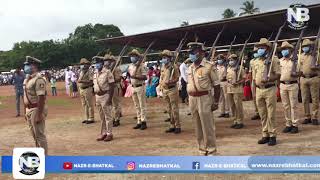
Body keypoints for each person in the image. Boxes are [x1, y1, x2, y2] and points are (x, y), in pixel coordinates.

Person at [186, 42, 220, 156]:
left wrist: (215, 101)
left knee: (207, 126)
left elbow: (216, 85)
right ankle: (202, 149)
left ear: (201, 53)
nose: (191, 55)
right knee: (197, 126)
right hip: (192, 99)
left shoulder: (209, 66)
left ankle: (211, 150)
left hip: (204, 98)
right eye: (190, 52)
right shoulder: (190, 67)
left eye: (193, 52)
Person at [253, 38, 281, 146]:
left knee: (271, 114)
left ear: (268, 48)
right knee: (262, 114)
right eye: (259, 47)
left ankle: (272, 135)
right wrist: (255, 86)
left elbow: (278, 74)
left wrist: (269, 78)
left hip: (270, 88)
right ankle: (265, 134)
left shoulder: (274, 60)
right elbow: (255, 77)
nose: (260, 49)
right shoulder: (256, 61)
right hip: (259, 89)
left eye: (262, 47)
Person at [23, 56, 48, 155]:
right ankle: (39, 155)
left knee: (39, 135)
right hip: (29, 109)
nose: (26, 67)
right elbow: (25, 96)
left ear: (34, 66)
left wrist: (39, 114)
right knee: (34, 134)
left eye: (27, 65)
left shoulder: (38, 79)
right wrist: (25, 110)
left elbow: (41, 97)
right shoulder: (27, 79)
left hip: (36, 108)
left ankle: (45, 158)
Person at [279, 41, 300, 133]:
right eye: (283, 49)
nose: (284, 51)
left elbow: (301, 72)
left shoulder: (295, 60)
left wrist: (296, 73)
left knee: (293, 105)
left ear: (290, 50)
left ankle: (295, 124)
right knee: (285, 106)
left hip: (293, 84)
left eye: (286, 49)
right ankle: (288, 124)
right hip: (283, 85)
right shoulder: (280, 61)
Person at [93, 56, 115, 142]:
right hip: (97, 96)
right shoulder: (95, 73)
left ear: (102, 64)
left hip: (105, 95)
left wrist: (110, 99)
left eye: (98, 63)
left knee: (108, 116)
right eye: (95, 63)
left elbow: (112, 86)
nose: (96, 64)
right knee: (102, 117)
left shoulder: (107, 72)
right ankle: (103, 133)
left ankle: (109, 134)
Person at [298, 39, 320, 125]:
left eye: (306, 46)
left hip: (314, 78)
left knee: (315, 98)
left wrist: (317, 68)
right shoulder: (301, 55)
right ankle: (307, 116)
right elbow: (299, 67)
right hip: (303, 78)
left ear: (311, 46)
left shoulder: (317, 55)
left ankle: (314, 117)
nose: (305, 48)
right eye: (303, 46)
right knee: (304, 98)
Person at [159, 50, 181, 134]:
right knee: (168, 109)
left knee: (174, 108)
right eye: (163, 57)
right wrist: (161, 87)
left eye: (165, 57)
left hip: (172, 89)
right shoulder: (163, 67)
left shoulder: (174, 67)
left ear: (169, 58)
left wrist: (171, 81)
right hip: (165, 90)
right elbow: (162, 78)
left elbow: (177, 78)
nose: (163, 59)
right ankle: (172, 125)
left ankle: (177, 125)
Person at [127, 49, 148, 130]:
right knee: (136, 105)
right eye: (131, 56)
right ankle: (139, 121)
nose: (132, 57)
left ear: (137, 57)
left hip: (140, 86)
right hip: (133, 87)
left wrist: (136, 77)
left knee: (142, 105)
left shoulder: (142, 66)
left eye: (133, 56)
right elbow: (129, 75)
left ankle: (143, 121)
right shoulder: (130, 66)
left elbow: (145, 77)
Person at [226, 54, 245, 129]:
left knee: (238, 105)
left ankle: (240, 121)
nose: (231, 61)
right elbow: (227, 78)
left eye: (232, 60)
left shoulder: (240, 68)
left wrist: (238, 82)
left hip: (237, 89)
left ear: (236, 60)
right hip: (229, 89)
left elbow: (244, 78)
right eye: (230, 60)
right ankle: (235, 120)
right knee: (232, 105)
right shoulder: (228, 68)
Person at [104, 54, 122, 127]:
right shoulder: (106, 70)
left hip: (114, 87)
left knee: (115, 104)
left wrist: (111, 80)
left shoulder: (116, 69)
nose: (108, 62)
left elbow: (119, 79)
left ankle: (116, 119)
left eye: (110, 61)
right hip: (107, 89)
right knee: (109, 104)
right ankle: (111, 118)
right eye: (106, 60)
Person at [77, 58, 95, 124]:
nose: (83, 66)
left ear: (87, 65)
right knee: (84, 104)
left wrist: (82, 81)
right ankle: (86, 117)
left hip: (87, 88)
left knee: (89, 104)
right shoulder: (81, 71)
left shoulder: (90, 71)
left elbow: (91, 81)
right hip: (81, 89)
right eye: (82, 64)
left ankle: (91, 118)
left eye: (84, 64)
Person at [249, 47, 261, 120]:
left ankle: (262, 112)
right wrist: (251, 82)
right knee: (254, 97)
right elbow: (250, 72)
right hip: (254, 80)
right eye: (254, 51)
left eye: (257, 51)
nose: (255, 53)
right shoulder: (252, 61)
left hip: (259, 80)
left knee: (261, 97)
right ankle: (257, 112)